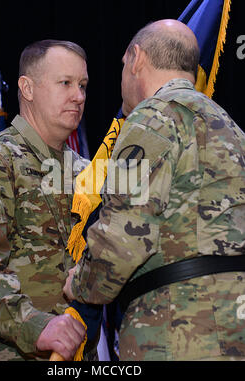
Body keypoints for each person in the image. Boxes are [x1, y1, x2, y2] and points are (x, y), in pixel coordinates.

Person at [63, 19, 245, 361]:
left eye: (121, 66)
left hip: (176, 330)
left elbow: (125, 235)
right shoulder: (231, 129)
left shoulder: (152, 118)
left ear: (136, 59)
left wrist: (80, 282)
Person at [0, 39, 99, 361]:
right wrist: (38, 327)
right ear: (27, 88)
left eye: (83, 85)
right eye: (66, 83)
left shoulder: (89, 175)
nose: (79, 96)